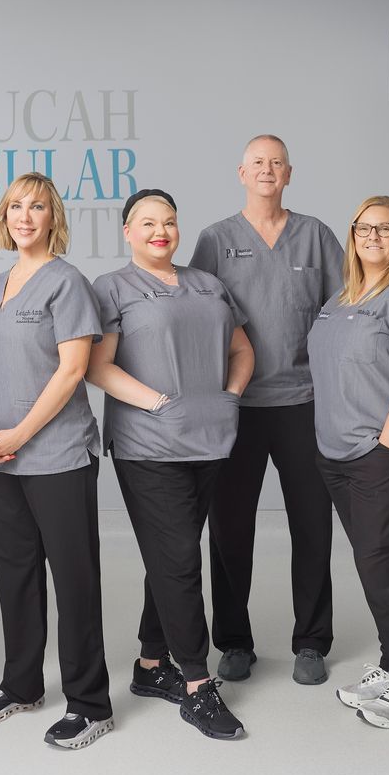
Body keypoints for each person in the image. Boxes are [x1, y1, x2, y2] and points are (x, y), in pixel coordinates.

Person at [87, 188, 252, 742]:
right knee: (180, 558)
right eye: (148, 222)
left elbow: (242, 349)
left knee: (169, 556)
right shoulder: (111, 287)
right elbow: (97, 366)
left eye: (170, 222)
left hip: (210, 437)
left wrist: (229, 396)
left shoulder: (209, 284)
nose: (161, 231)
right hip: (148, 445)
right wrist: (159, 404)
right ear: (128, 231)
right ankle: (198, 686)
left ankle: (151, 665)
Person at [188, 134, 343, 686]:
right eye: (258, 162)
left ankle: (312, 642)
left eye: (276, 163)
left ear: (289, 173)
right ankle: (233, 641)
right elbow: (197, 315)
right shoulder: (216, 240)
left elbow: (344, 310)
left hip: (304, 401)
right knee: (230, 527)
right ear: (241, 172)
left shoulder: (316, 236)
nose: (267, 170)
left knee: (312, 524)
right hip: (239, 405)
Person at [0, 172, 113, 751]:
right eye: (15, 207)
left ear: (53, 216)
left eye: (37, 206)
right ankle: (22, 684)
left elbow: (73, 369)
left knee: (74, 580)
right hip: (0, 457)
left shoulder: (67, 283)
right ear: (4, 218)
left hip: (56, 457)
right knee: (15, 574)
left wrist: (20, 433)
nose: (25, 215)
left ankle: (90, 703)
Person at [307, 195, 389, 730]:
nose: (373, 237)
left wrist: (386, 445)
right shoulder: (340, 298)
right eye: (364, 228)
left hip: (381, 455)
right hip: (335, 456)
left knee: (382, 569)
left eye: (385, 228)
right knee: (371, 565)